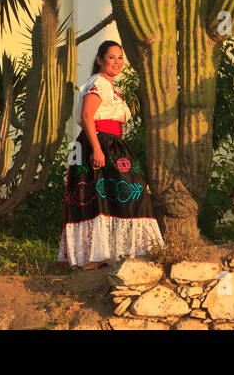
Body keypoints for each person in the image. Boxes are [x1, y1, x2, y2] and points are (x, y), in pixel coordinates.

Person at [58, 41, 164, 267]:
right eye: (111, 57)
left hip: (112, 143)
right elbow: (87, 116)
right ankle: (96, 256)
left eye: (120, 57)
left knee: (113, 196)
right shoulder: (98, 82)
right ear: (99, 60)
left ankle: (112, 254)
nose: (117, 62)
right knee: (115, 196)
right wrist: (97, 149)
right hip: (100, 142)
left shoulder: (108, 86)